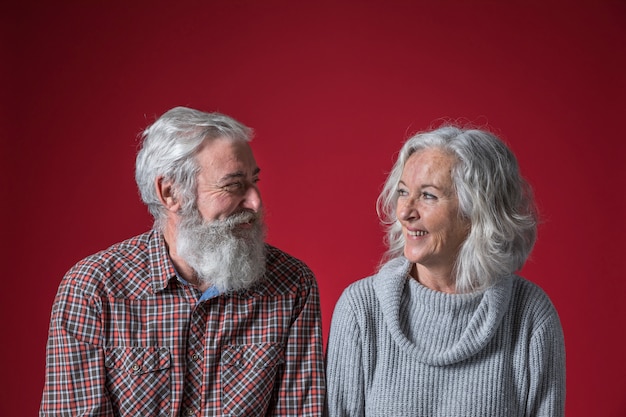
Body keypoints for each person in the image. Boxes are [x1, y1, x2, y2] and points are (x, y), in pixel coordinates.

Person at [40, 106, 325, 416]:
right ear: (170, 193)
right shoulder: (93, 290)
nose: (256, 202)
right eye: (233, 185)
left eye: (253, 181)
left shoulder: (291, 284)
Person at [325, 125, 566, 416]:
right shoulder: (361, 310)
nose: (404, 212)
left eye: (428, 196)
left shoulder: (530, 316)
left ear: (477, 211)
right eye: (403, 192)